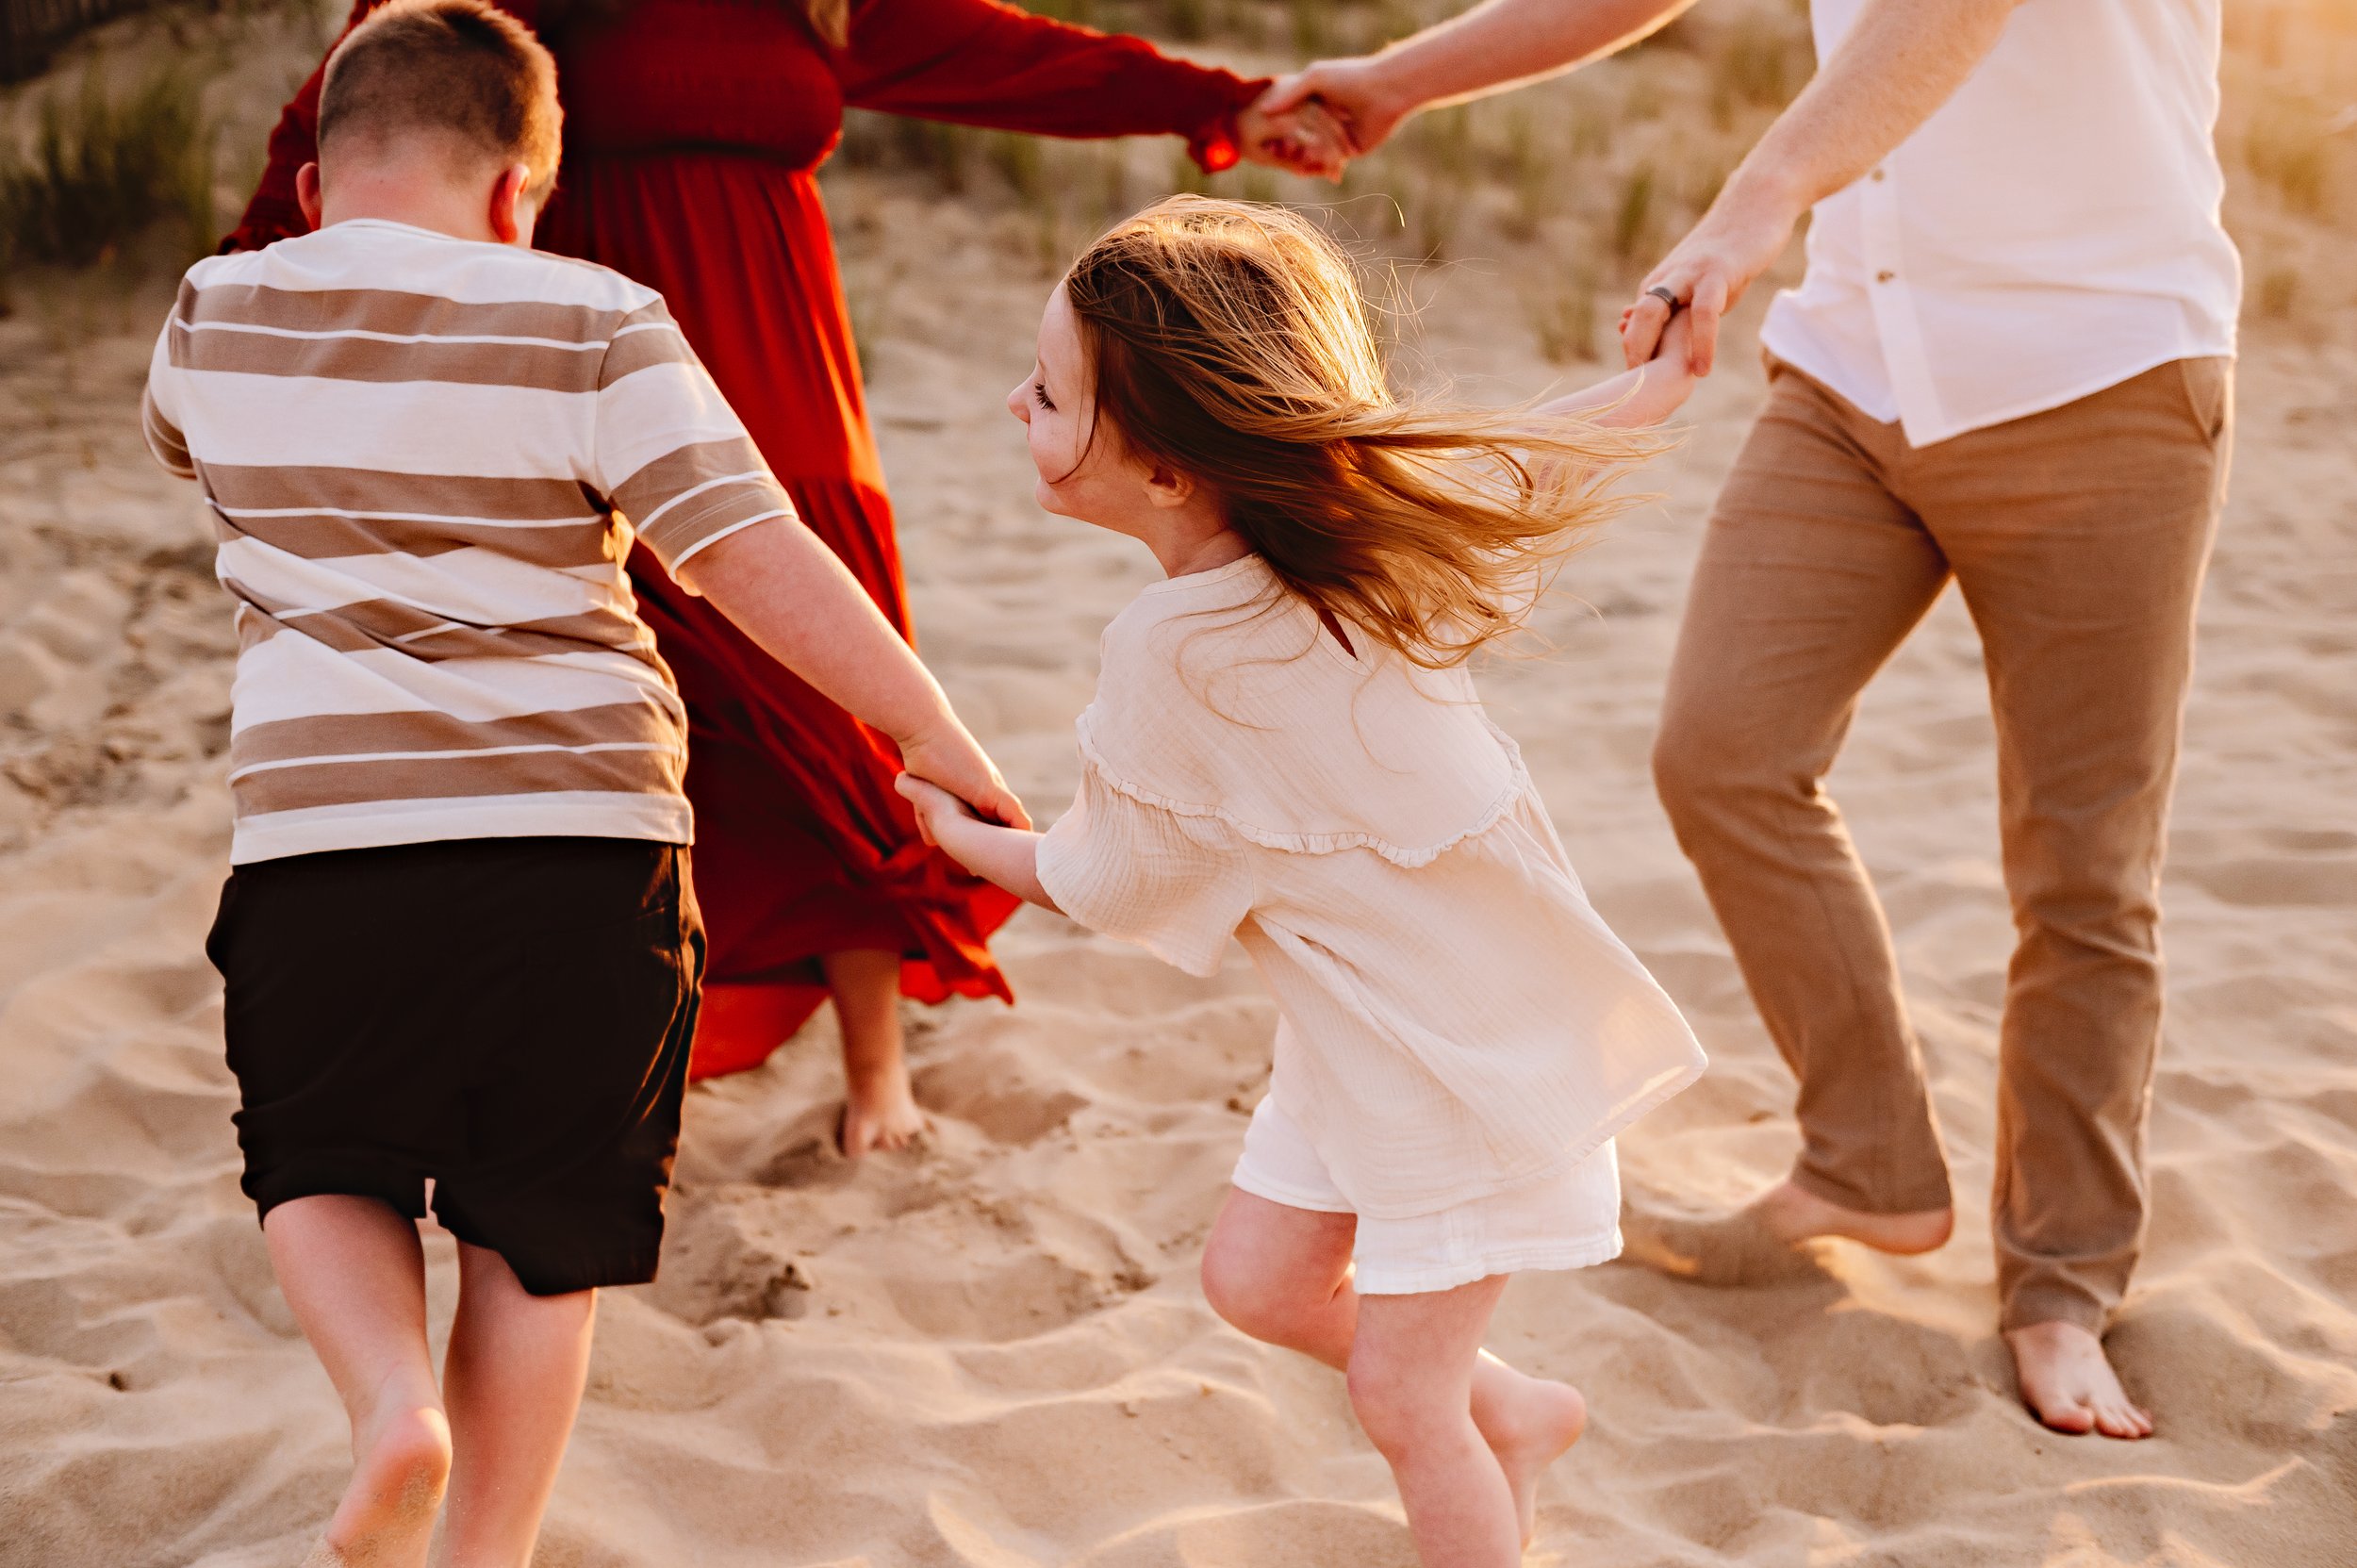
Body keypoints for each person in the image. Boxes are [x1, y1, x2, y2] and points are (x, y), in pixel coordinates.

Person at [1265, 0, 2239, 1439]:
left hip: (2099, 372)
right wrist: (1403, 81)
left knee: (2083, 863)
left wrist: (1757, 197)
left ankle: (2061, 1282)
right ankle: (1871, 1164)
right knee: (1723, 752)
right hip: (1857, 370)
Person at [141, 5, 1020, 1561]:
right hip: (584, 846)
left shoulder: (216, 314)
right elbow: (753, 560)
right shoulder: (593, 317)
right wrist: (932, 730)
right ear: (519, 191)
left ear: (315, 180)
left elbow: (182, 442)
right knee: (539, 1229)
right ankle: (487, 1548)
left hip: (326, 846)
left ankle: (388, 1406)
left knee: (317, 1161)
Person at [226, 0, 1343, 1158]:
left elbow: (995, 55)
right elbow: (362, 90)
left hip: (789, 368)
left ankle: (876, 1064)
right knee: (627, 701)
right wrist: (262, 272)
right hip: (598, 366)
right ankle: (589, 1020)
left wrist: (1220, 105)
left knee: (832, 715)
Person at [896, 197, 1707, 1567]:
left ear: (1161, 471)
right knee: (1258, 1280)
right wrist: (1656, 382)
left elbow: (1111, 876)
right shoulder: (1356, 537)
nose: (1011, 401)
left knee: (1404, 1397)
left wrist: (958, 834)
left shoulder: (1186, 641)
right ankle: (1519, 1407)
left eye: (1045, 394)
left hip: (1465, 1056)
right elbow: (1522, 464)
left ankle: (1485, 1430)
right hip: (1367, 1035)